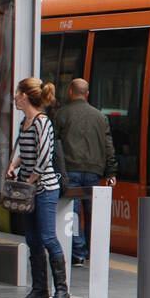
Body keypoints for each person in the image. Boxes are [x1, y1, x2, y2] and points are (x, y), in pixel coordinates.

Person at [8, 77, 68, 298]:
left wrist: (31, 179)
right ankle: (40, 289)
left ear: (24, 95)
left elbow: (44, 155)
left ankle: (62, 290)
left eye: (17, 92)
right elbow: (29, 150)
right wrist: (14, 165)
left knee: (47, 237)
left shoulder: (42, 122)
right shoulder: (25, 122)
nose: (14, 97)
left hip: (43, 189)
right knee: (32, 239)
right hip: (29, 189)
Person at [53, 78, 116, 266]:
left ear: (70, 92)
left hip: (70, 170)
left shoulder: (61, 114)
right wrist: (111, 171)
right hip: (93, 172)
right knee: (92, 213)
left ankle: (78, 252)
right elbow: (108, 145)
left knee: (71, 213)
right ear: (86, 94)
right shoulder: (100, 117)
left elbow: (54, 144)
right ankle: (92, 252)